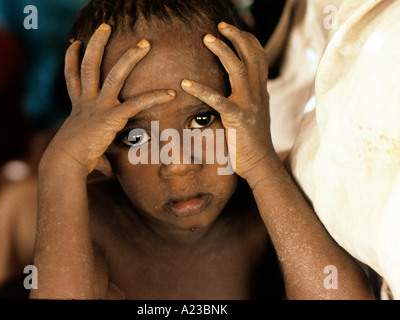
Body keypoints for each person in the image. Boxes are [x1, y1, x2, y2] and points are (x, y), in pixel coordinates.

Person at [30, 0, 374, 300]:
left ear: (250, 108)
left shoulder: (274, 206)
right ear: (101, 153)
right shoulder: (92, 226)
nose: (178, 163)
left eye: (202, 118)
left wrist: (263, 163)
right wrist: (60, 166)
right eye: (136, 137)